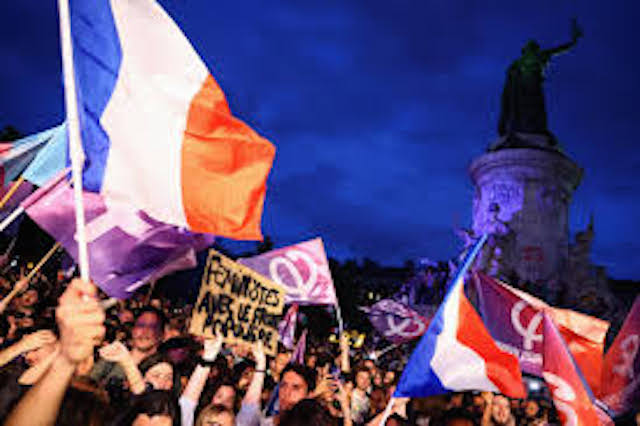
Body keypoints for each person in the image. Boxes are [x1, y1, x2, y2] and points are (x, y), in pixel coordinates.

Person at [5, 278, 106, 426]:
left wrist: (67, 352)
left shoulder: (79, 401)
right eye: (25, 353)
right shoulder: (15, 377)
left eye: (35, 348)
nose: (29, 356)